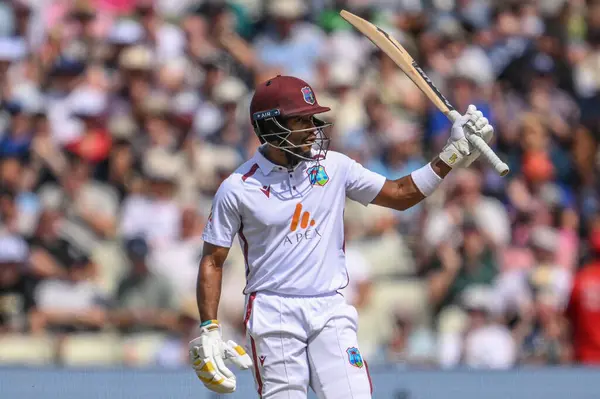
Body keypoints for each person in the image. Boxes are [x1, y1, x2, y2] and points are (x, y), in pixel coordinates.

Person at [189, 75, 494, 398]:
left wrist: (451, 154)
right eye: (300, 120)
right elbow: (213, 259)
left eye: (311, 118)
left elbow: (401, 194)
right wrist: (209, 328)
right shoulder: (237, 188)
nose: (312, 128)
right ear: (269, 126)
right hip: (273, 313)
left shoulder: (335, 167)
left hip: (330, 307)